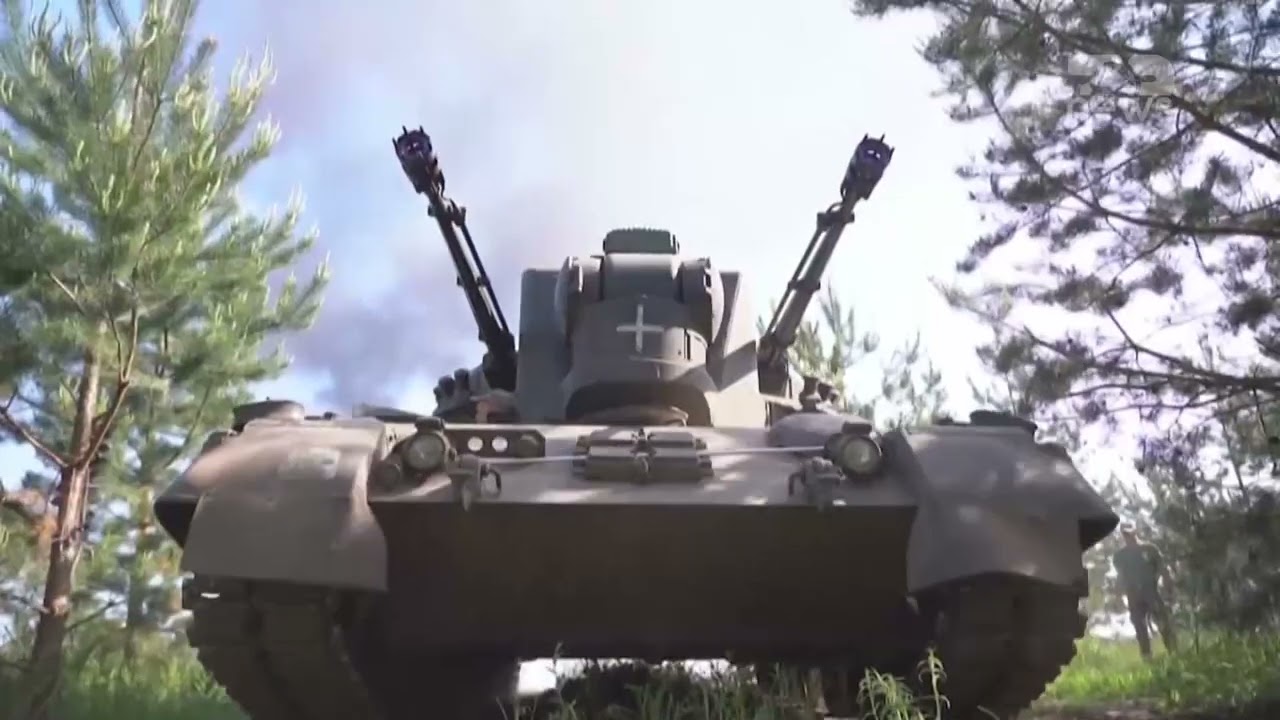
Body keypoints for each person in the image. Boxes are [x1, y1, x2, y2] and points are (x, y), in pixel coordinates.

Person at [1111, 522, 1178, 659]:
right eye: (1125, 534)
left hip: (1151, 591)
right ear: (1122, 535)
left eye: (1130, 532)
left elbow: (1163, 569)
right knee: (1139, 626)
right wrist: (1118, 597)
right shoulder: (1119, 556)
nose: (1128, 536)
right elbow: (1120, 576)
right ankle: (1147, 657)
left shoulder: (1149, 549)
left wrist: (1169, 586)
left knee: (1163, 623)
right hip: (1133, 595)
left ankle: (1174, 653)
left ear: (1135, 531)